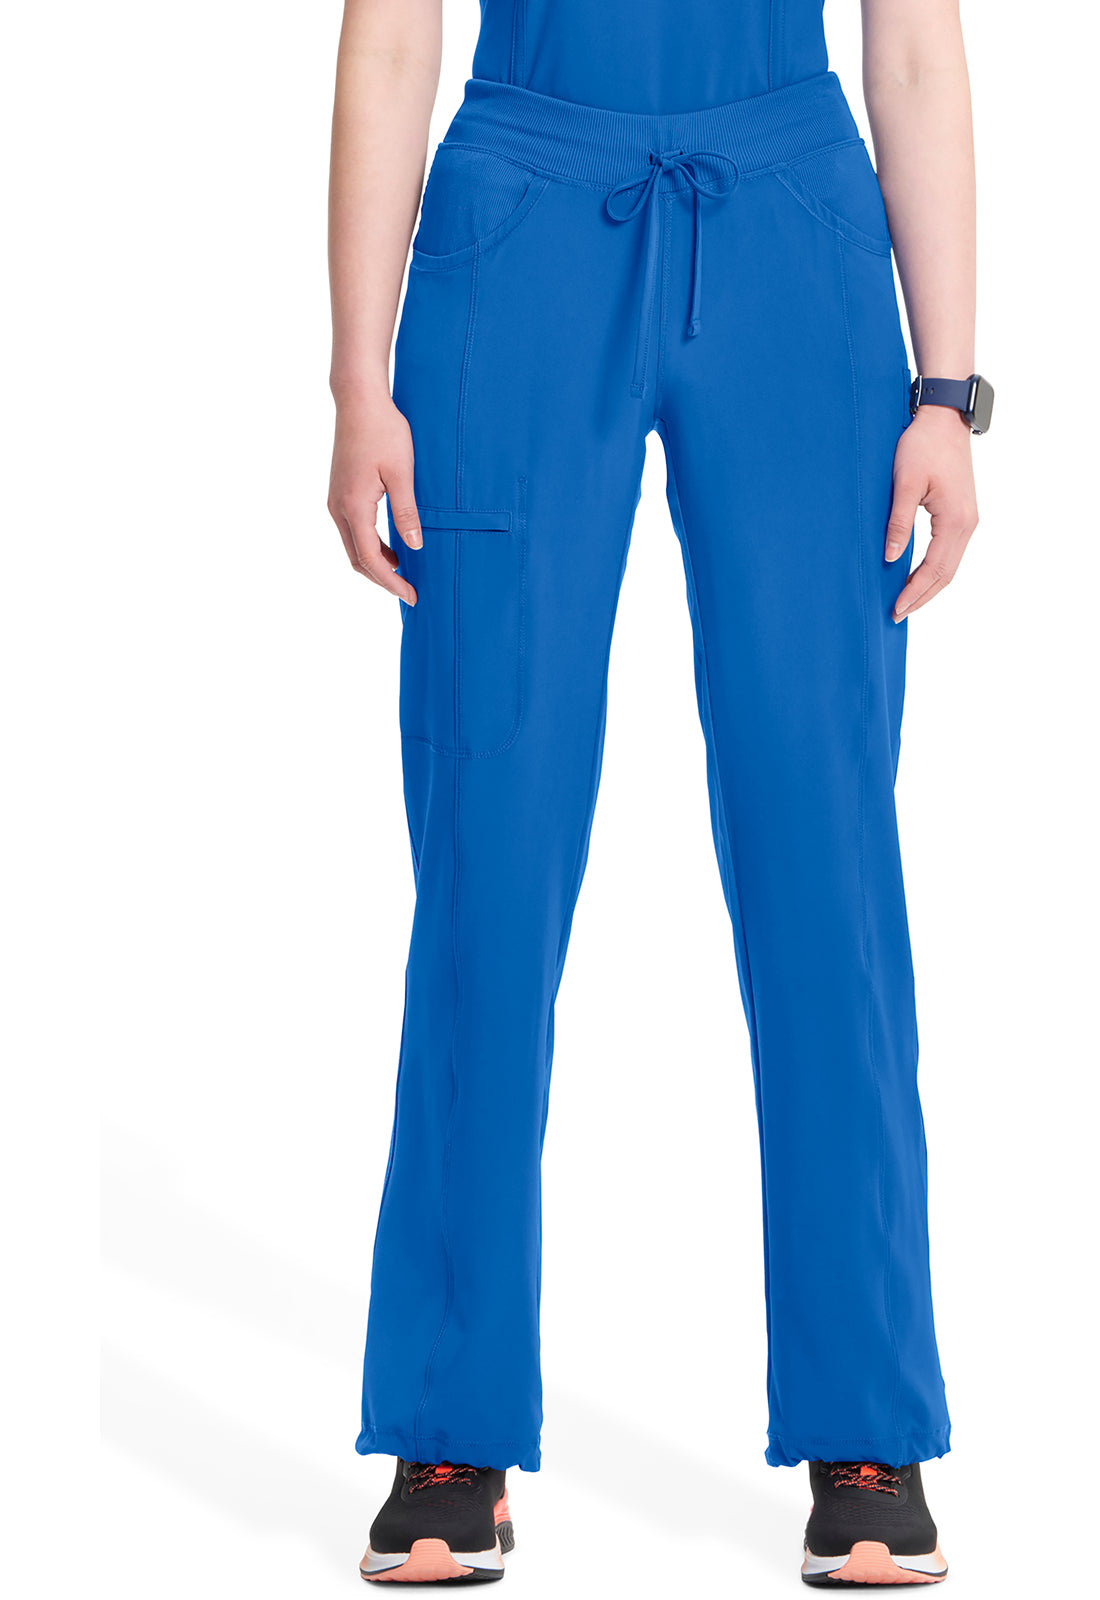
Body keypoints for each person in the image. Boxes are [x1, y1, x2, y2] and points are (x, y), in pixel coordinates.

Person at [327, 0, 990, 1585]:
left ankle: (867, 1418)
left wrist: (949, 391)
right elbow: (390, 39)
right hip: (519, 215)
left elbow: (912, 47)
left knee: (825, 851)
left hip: (794, 228)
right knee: (490, 849)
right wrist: (358, 379)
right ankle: (449, 1422)